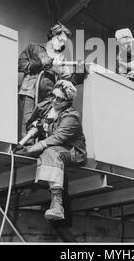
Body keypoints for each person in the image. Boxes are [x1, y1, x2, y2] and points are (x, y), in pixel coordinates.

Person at [15, 80, 87, 221]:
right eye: (53, 96)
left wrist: (38, 146)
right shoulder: (47, 107)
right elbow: (32, 122)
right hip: (51, 146)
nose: (54, 101)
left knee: (51, 152)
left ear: (67, 102)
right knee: (47, 151)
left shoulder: (72, 116)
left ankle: (57, 205)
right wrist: (35, 127)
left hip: (71, 150)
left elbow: (58, 138)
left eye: (59, 99)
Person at [18, 22, 84, 140]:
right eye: (59, 39)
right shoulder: (34, 47)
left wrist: (80, 71)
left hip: (49, 98)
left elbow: (68, 80)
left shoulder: (62, 58)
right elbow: (20, 65)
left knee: (42, 127)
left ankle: (35, 152)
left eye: (64, 41)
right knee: (28, 124)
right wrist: (43, 63)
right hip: (30, 93)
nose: (62, 43)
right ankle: (24, 150)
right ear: (52, 36)